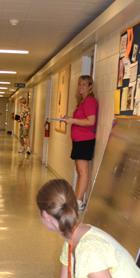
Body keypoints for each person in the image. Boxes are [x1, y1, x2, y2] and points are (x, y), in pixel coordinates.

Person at [63, 75, 98, 211]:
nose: (81, 87)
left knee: (83, 172)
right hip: (79, 140)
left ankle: (79, 201)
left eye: (84, 84)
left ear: (90, 86)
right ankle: (77, 198)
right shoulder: (82, 102)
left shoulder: (89, 101)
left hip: (85, 140)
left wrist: (72, 120)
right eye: (79, 84)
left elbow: (91, 121)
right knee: (79, 170)